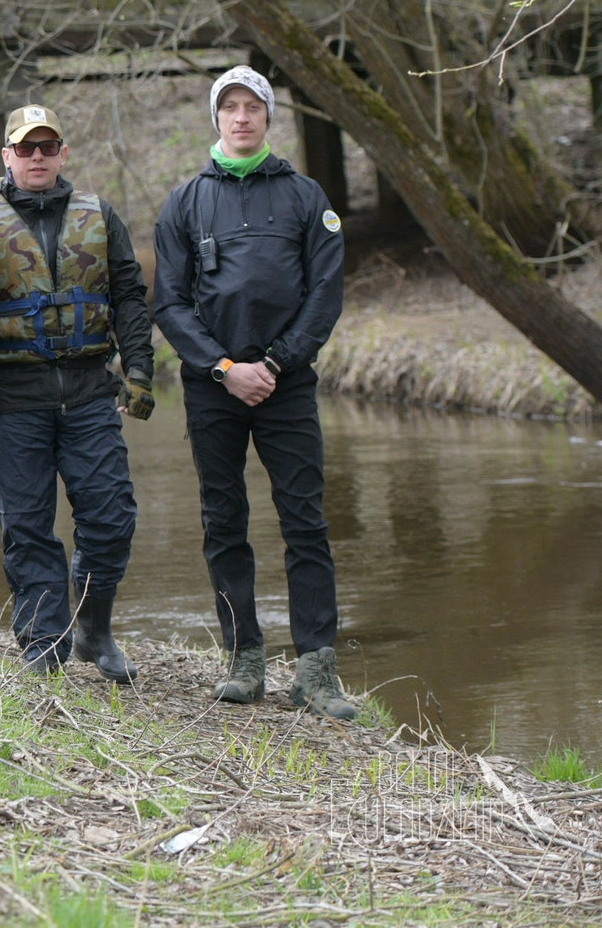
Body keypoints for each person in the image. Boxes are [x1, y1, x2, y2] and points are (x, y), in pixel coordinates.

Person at [152, 66, 353, 719]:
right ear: (216, 117)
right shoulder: (184, 202)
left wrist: (274, 362)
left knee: (305, 522)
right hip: (212, 387)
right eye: (230, 107)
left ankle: (317, 670)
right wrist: (223, 367)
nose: (241, 117)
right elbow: (169, 304)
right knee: (224, 520)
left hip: (285, 385)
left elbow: (325, 294)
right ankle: (245, 660)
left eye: (253, 107)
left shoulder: (305, 197)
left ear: (269, 116)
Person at [0, 103, 153, 679]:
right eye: (26, 148)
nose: (37, 157)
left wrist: (139, 370)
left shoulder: (100, 215)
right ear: (7, 156)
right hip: (13, 399)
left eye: (47, 147)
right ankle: (43, 644)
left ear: (63, 153)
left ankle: (93, 627)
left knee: (111, 518)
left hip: (90, 391)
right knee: (26, 528)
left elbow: (129, 297)